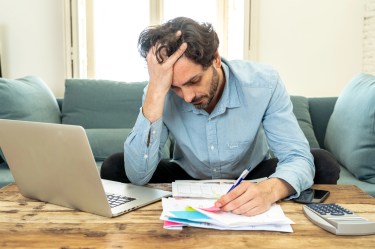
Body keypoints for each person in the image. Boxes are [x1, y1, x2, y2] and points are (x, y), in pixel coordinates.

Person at [101, 17, 340, 216]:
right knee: (114, 166)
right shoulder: (159, 92)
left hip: (253, 173)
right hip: (190, 176)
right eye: (175, 87)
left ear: (215, 59)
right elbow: (137, 174)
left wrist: (270, 190)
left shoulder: (263, 83)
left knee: (322, 163)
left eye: (193, 81)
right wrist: (156, 92)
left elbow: (296, 156)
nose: (186, 97)